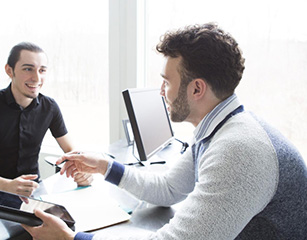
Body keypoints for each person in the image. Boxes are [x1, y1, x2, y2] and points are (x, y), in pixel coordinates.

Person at [22, 23, 307, 240]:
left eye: (167, 82)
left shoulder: (238, 150)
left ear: (197, 88)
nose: (162, 92)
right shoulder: (222, 129)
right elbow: (169, 189)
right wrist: (106, 167)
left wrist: (72, 239)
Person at [0, 42, 92, 217]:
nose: (37, 78)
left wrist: (84, 170)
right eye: (28, 69)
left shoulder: (50, 107)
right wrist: (7, 186)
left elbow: (72, 151)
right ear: (10, 71)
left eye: (42, 70)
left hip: (34, 194)